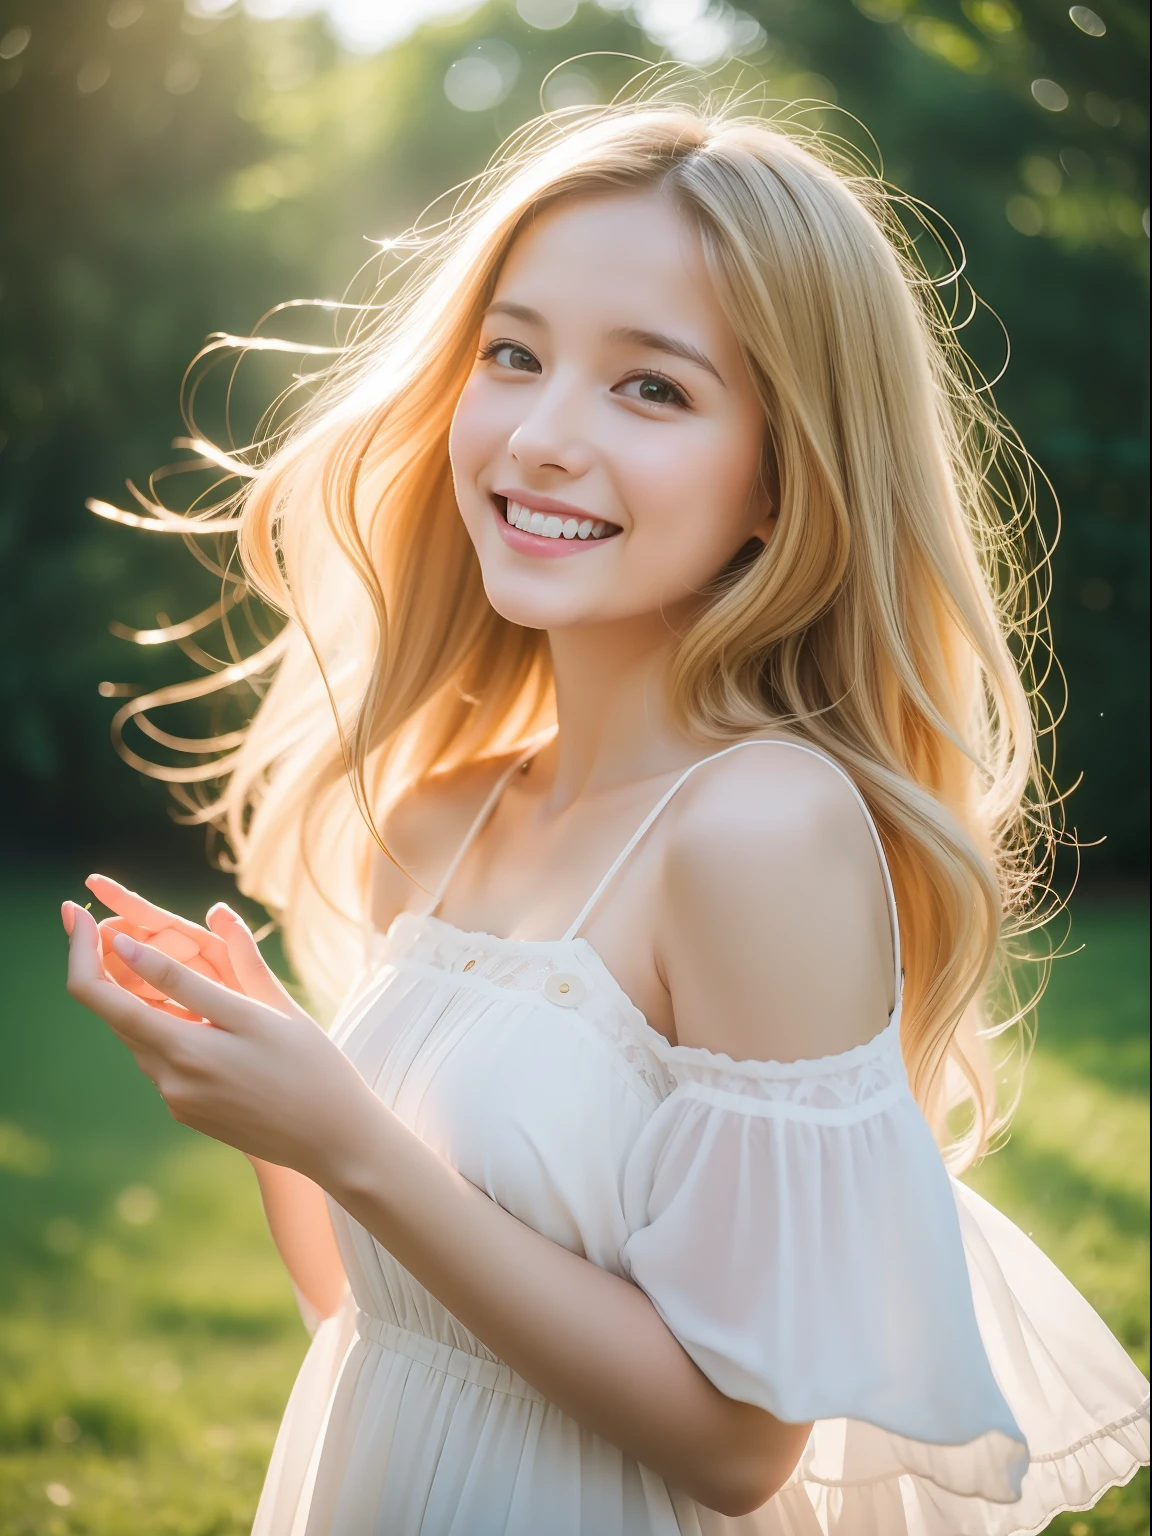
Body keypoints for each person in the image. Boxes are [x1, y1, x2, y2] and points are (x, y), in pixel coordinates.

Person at [61, 101, 1148, 1534]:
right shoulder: (443, 815)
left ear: (782, 477)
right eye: (513, 356)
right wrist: (269, 1098)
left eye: (653, 389)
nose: (541, 437)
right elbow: (375, 1312)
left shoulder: (759, 830)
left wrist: (347, 1134)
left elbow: (737, 1445)